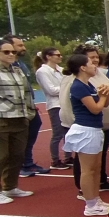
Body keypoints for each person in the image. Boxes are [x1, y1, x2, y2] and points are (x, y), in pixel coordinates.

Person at [62, 44, 109, 198]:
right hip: (85, 129)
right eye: (90, 62)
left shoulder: (88, 84)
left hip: (96, 129)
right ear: (82, 67)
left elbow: (105, 103)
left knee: (95, 168)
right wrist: (101, 96)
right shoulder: (78, 86)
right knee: (87, 169)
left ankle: (95, 198)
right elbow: (95, 108)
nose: (95, 64)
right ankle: (89, 201)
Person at [3, 34, 49, 176]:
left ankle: (25, 164)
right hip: (7, 115)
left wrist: (30, 106)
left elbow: (25, 89)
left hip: (25, 110)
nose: (23, 48)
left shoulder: (18, 67)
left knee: (23, 143)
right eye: (19, 46)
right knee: (4, 152)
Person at [0, 39, 36, 204]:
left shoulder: (17, 70)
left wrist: (29, 111)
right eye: (6, 52)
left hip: (20, 118)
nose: (11, 55)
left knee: (17, 154)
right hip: (3, 119)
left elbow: (27, 92)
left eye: (12, 52)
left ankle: (10, 186)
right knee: (2, 156)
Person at [35, 47, 70, 169]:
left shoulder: (60, 70)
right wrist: (66, 89)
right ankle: (55, 160)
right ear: (48, 56)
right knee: (57, 133)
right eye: (57, 55)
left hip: (65, 103)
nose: (60, 57)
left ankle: (68, 156)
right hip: (55, 105)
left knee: (68, 131)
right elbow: (50, 90)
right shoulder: (42, 71)